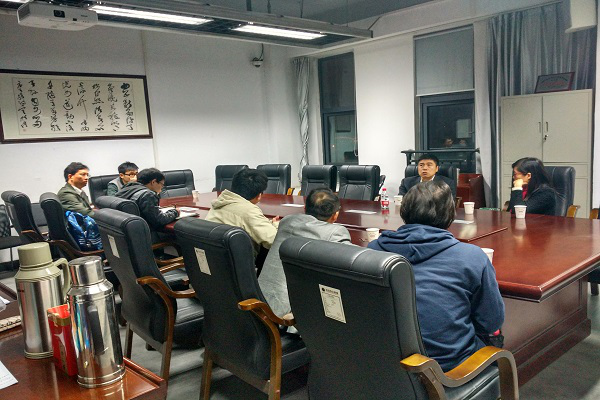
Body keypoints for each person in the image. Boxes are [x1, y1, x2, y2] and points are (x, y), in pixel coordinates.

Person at [368, 181, 504, 371]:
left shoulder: (373, 250)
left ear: (403, 211)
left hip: (386, 363)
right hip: (448, 369)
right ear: (450, 215)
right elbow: (490, 322)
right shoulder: (471, 256)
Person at [258, 188, 352, 317]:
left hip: (260, 299)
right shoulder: (334, 232)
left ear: (304, 208)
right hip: (285, 313)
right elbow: (352, 259)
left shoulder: (287, 221)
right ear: (335, 215)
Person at [206, 168, 279, 257]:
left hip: (214, 259)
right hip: (238, 262)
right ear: (259, 195)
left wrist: (267, 223)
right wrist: (276, 225)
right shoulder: (249, 210)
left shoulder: (219, 202)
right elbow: (274, 241)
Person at [115, 168, 179, 240]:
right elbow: (159, 220)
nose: (162, 188)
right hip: (145, 236)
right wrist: (175, 212)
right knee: (180, 235)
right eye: (162, 184)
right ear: (153, 182)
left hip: (126, 235)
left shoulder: (126, 188)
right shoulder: (147, 194)